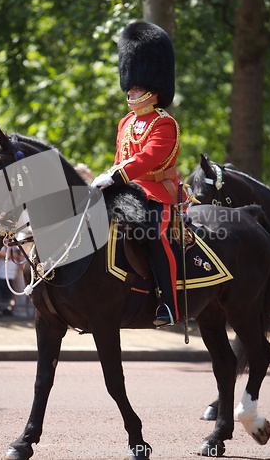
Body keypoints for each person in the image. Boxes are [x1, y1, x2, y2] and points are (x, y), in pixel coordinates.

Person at [91, 21, 181, 327]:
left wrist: (116, 177)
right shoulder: (125, 123)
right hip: (127, 191)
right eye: (130, 84)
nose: (131, 89)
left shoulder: (164, 123)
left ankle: (168, 303)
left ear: (153, 87)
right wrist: (108, 177)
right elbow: (121, 158)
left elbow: (148, 158)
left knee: (156, 237)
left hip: (158, 193)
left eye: (137, 85)